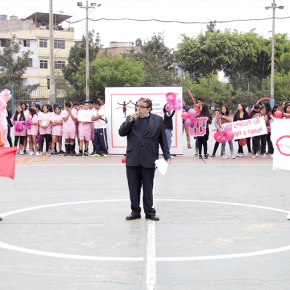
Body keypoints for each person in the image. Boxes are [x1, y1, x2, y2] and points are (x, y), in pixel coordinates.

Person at [119, 98, 171, 221]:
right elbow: (121, 132)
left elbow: (163, 138)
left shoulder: (157, 120)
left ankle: (149, 212)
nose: (139, 109)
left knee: (148, 187)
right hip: (133, 158)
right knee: (133, 188)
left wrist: (167, 155)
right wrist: (131, 120)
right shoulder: (131, 118)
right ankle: (135, 211)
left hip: (149, 157)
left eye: (142, 107)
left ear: (149, 108)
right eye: (138, 106)